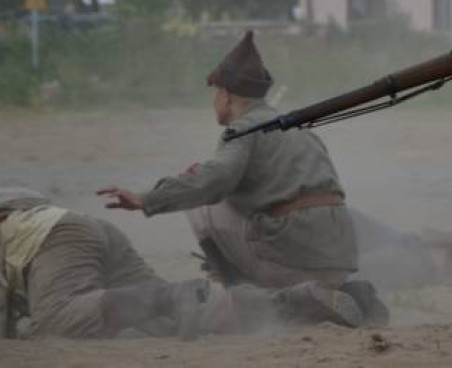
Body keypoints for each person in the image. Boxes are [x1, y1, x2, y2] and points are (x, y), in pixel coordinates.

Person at [97, 31, 384, 323]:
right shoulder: (300, 129)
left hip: (295, 260)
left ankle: (243, 300)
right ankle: (337, 292)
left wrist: (146, 199)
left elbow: (213, 182)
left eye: (215, 93)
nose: (214, 101)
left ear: (226, 94)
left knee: (200, 201)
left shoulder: (242, 131)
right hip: (340, 262)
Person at [0, 187, 368, 339]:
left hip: (51, 238)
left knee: (56, 319)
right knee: (166, 321)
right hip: (81, 228)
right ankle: (294, 302)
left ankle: (170, 295)